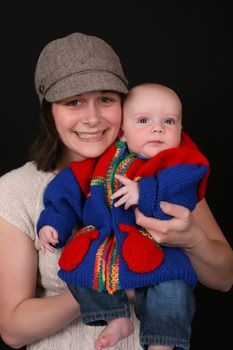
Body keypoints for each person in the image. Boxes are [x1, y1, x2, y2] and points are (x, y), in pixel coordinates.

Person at [0, 32, 232, 350]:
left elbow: (224, 278)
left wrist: (192, 239)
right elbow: (12, 330)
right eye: (74, 102)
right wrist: (111, 282)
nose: (92, 118)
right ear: (49, 112)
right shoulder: (16, 191)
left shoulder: (165, 172)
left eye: (106, 99)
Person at [36, 83, 209, 350]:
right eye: (143, 120)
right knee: (76, 269)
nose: (157, 128)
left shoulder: (180, 163)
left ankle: (162, 343)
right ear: (122, 131)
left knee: (173, 290)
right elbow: (65, 190)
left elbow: (184, 191)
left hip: (155, 252)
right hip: (105, 246)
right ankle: (115, 317)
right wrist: (52, 223)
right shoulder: (100, 161)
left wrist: (145, 191)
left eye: (169, 121)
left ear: (180, 130)